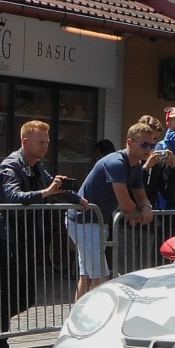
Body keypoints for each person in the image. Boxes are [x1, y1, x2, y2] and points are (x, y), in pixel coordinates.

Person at [0, 120, 82, 348]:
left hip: (27, 237)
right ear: (26, 142)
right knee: (8, 292)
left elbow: (54, 186)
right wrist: (45, 193)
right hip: (8, 236)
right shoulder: (11, 165)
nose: (45, 146)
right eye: (41, 142)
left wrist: (78, 198)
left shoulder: (37, 167)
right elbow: (13, 196)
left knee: (26, 296)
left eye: (47, 142)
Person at [70, 122, 155, 297]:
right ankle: (97, 317)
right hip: (84, 220)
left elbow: (141, 196)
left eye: (152, 144)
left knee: (87, 275)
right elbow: (125, 203)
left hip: (98, 221)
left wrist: (146, 207)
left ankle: (78, 316)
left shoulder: (137, 166)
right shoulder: (115, 163)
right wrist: (136, 211)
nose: (149, 149)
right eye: (144, 144)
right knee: (100, 275)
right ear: (130, 142)